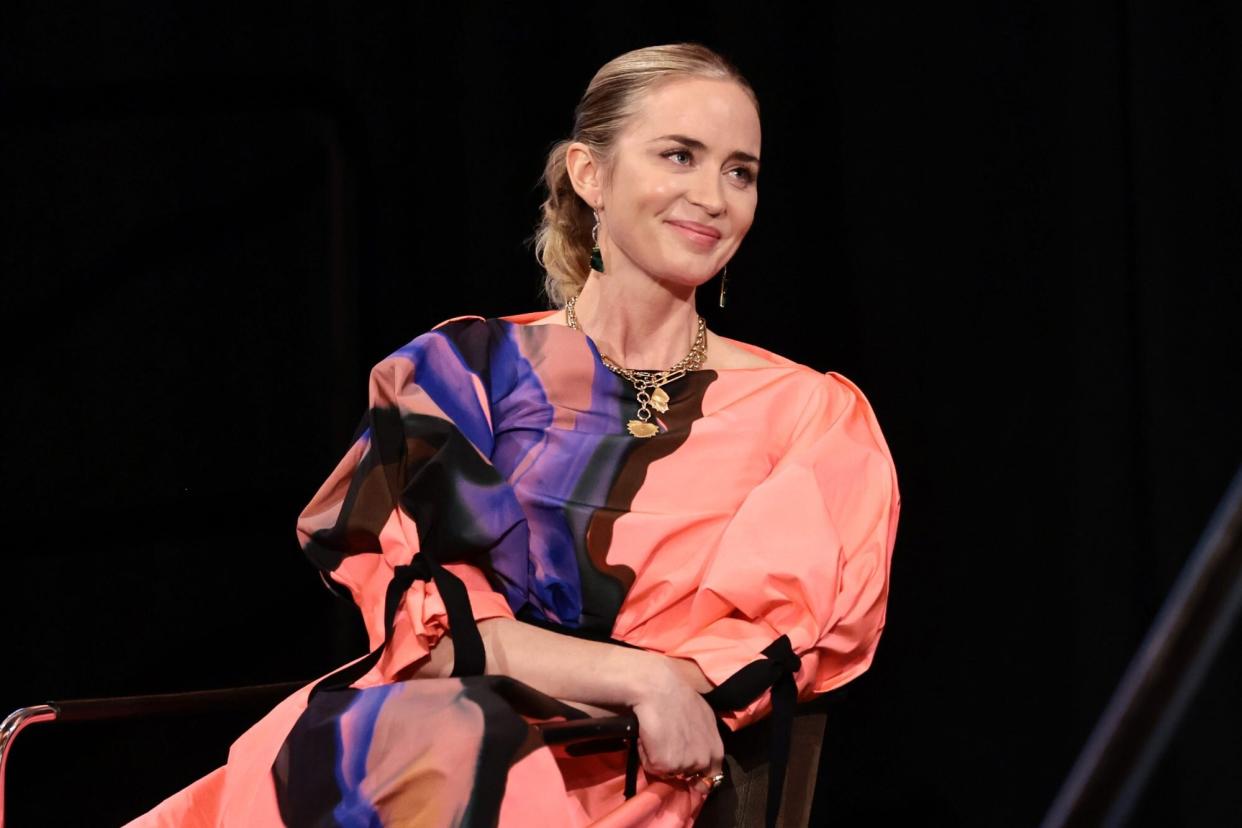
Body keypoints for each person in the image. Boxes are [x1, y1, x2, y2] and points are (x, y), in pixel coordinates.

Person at [127, 42, 901, 828]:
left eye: (741, 171)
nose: (713, 195)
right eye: (679, 155)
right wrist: (644, 678)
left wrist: (650, 687)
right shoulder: (461, 374)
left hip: (624, 782)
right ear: (589, 174)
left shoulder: (812, 418)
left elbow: (759, 659)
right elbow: (431, 633)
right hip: (403, 768)